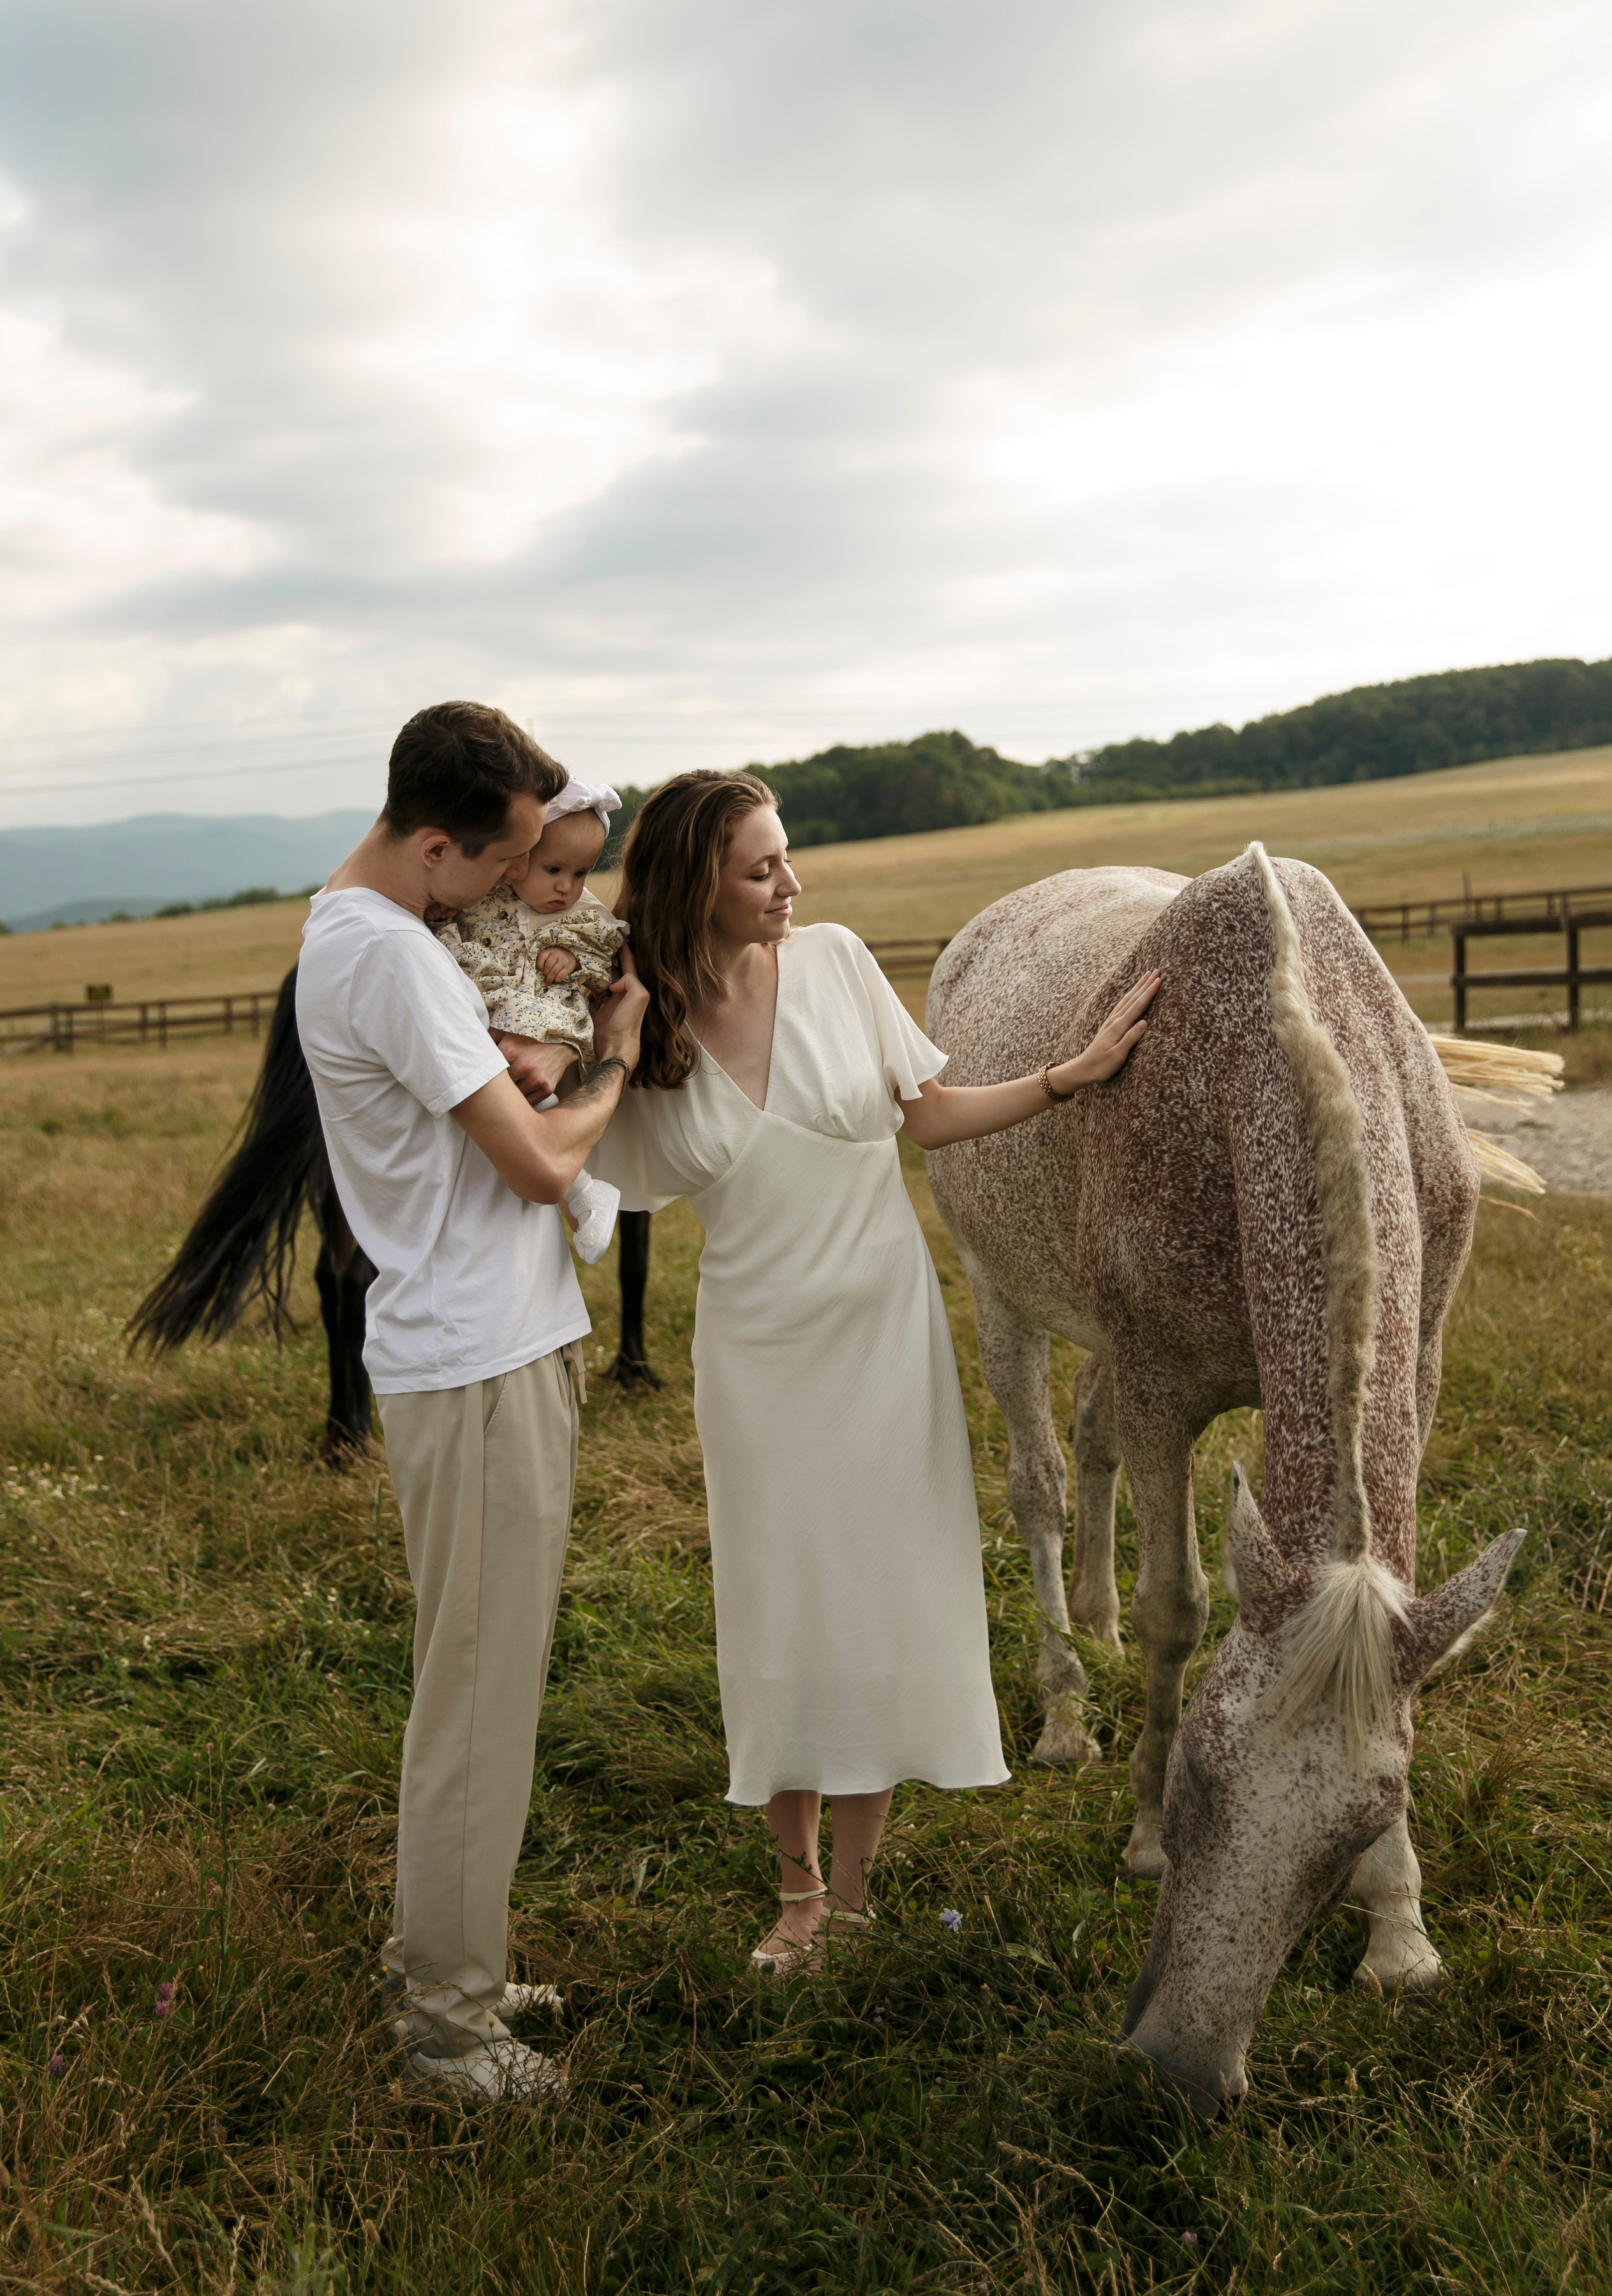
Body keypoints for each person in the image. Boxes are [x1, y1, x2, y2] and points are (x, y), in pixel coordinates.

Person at [590, 771, 1158, 1971]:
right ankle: (794, 1894)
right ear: (699, 881)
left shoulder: (840, 962)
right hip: (757, 1356)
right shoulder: (643, 1021)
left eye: (787, 859)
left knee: (886, 1594)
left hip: (884, 1341)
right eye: (761, 869)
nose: (791, 885)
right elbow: (569, 1162)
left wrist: (1069, 1075)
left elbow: (932, 1117)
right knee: (782, 1606)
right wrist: (602, 1032)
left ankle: (853, 1896)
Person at [296, 702, 648, 2096]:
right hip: (478, 1356)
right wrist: (614, 1045)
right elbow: (542, 1167)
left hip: (481, 1344)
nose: (515, 886)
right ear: (432, 842)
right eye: (499, 862)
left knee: (473, 1682)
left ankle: (449, 1957)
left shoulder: (373, 929)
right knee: (477, 1699)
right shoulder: (390, 960)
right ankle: (446, 2026)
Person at [435, 778, 626, 1264]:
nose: (567, 886)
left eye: (581, 873)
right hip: (496, 1006)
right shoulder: (485, 897)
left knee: (522, 1076)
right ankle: (582, 1192)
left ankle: (579, 1189)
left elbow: (605, 957)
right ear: (517, 859)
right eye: (554, 868)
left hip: (549, 1016)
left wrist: (573, 956)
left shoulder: (583, 915)